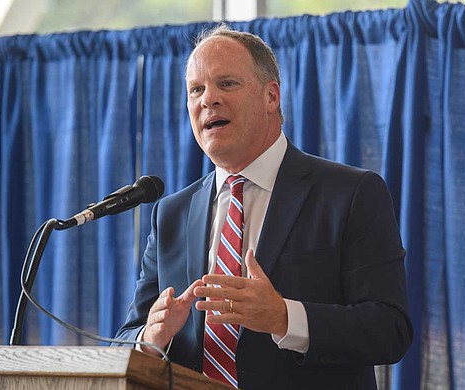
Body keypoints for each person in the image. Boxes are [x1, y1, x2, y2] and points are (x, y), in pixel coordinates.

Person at [114, 24, 412, 389]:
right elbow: (128, 336)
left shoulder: (350, 194)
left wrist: (284, 317)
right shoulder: (171, 213)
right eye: (196, 89)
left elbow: (389, 329)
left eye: (227, 84)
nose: (208, 100)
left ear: (272, 96)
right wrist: (151, 336)